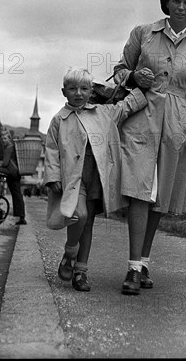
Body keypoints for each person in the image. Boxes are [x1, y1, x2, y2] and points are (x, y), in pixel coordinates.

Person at [113, 0, 186, 295]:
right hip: (141, 117)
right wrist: (133, 76)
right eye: (176, 1)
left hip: (175, 123)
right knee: (139, 191)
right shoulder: (143, 33)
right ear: (166, 3)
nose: (182, 7)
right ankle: (132, 268)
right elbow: (118, 71)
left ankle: (143, 262)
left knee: (158, 198)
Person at [43, 67, 147, 292]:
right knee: (78, 215)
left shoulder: (103, 113)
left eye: (84, 88)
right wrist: (52, 176)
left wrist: (138, 81)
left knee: (87, 222)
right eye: (72, 89)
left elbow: (128, 105)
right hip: (74, 178)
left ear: (91, 91)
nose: (78, 93)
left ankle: (81, 272)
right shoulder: (59, 120)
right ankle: (70, 252)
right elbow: (51, 148)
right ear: (64, 91)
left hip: (97, 177)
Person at [0, 129, 27, 225]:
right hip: (16, 173)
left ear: (9, 139)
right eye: (2, 138)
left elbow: (5, 163)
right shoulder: (13, 146)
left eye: (5, 138)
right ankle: (22, 217)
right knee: (17, 194)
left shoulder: (8, 147)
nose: (3, 140)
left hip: (10, 170)